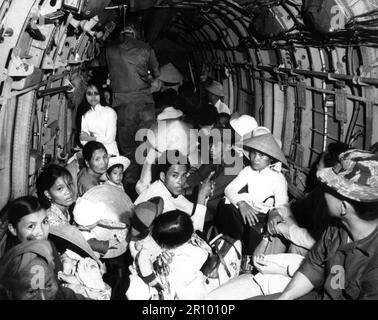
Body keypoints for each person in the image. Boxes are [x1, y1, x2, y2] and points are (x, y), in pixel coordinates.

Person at [275, 149, 378, 300]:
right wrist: (285, 297)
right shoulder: (337, 229)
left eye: (329, 188)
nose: (323, 191)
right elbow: (314, 265)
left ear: (344, 207)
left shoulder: (374, 267)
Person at [105, 23, 160, 195]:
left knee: (129, 151)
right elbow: (156, 74)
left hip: (123, 107)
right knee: (147, 150)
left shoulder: (110, 50)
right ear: (135, 34)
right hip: (145, 105)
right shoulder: (146, 49)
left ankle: (130, 192)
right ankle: (149, 190)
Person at [215, 132, 289, 255]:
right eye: (254, 153)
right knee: (225, 205)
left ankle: (246, 255)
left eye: (262, 156)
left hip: (263, 216)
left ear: (271, 158)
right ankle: (229, 245)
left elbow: (282, 205)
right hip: (248, 208)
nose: (255, 158)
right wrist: (242, 203)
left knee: (252, 229)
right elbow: (229, 189)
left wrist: (275, 212)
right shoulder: (248, 170)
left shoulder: (278, 177)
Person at [127, 210, 211, 300]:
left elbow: (165, 289)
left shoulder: (186, 262)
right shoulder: (182, 230)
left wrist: (163, 267)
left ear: (166, 246)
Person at [134, 150, 213, 233]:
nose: (180, 181)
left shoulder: (164, 187)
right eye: (175, 176)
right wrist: (202, 196)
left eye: (184, 175)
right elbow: (193, 232)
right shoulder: (162, 200)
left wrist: (205, 194)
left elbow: (192, 209)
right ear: (163, 176)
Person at [0, 240, 88, 300]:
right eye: (32, 291)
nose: (43, 297)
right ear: (10, 293)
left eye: (49, 285)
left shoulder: (64, 295)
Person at [79, 82, 119, 156]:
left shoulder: (110, 112)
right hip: (94, 154)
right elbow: (83, 140)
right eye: (89, 94)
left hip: (110, 153)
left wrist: (89, 138)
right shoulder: (85, 115)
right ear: (85, 96)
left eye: (96, 93)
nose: (93, 97)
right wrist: (88, 139)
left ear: (100, 94)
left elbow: (109, 139)